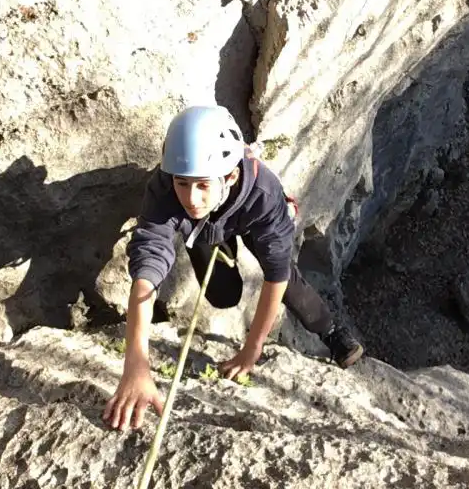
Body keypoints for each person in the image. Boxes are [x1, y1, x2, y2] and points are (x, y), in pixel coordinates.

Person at [102, 105, 363, 431]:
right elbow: (148, 265)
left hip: (250, 220)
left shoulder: (263, 195)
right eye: (183, 184)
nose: (191, 198)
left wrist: (252, 349)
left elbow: (276, 273)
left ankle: (331, 331)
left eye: (202, 185)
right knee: (223, 295)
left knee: (290, 285)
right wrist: (135, 365)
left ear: (231, 175)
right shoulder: (165, 188)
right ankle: (217, 246)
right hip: (204, 230)